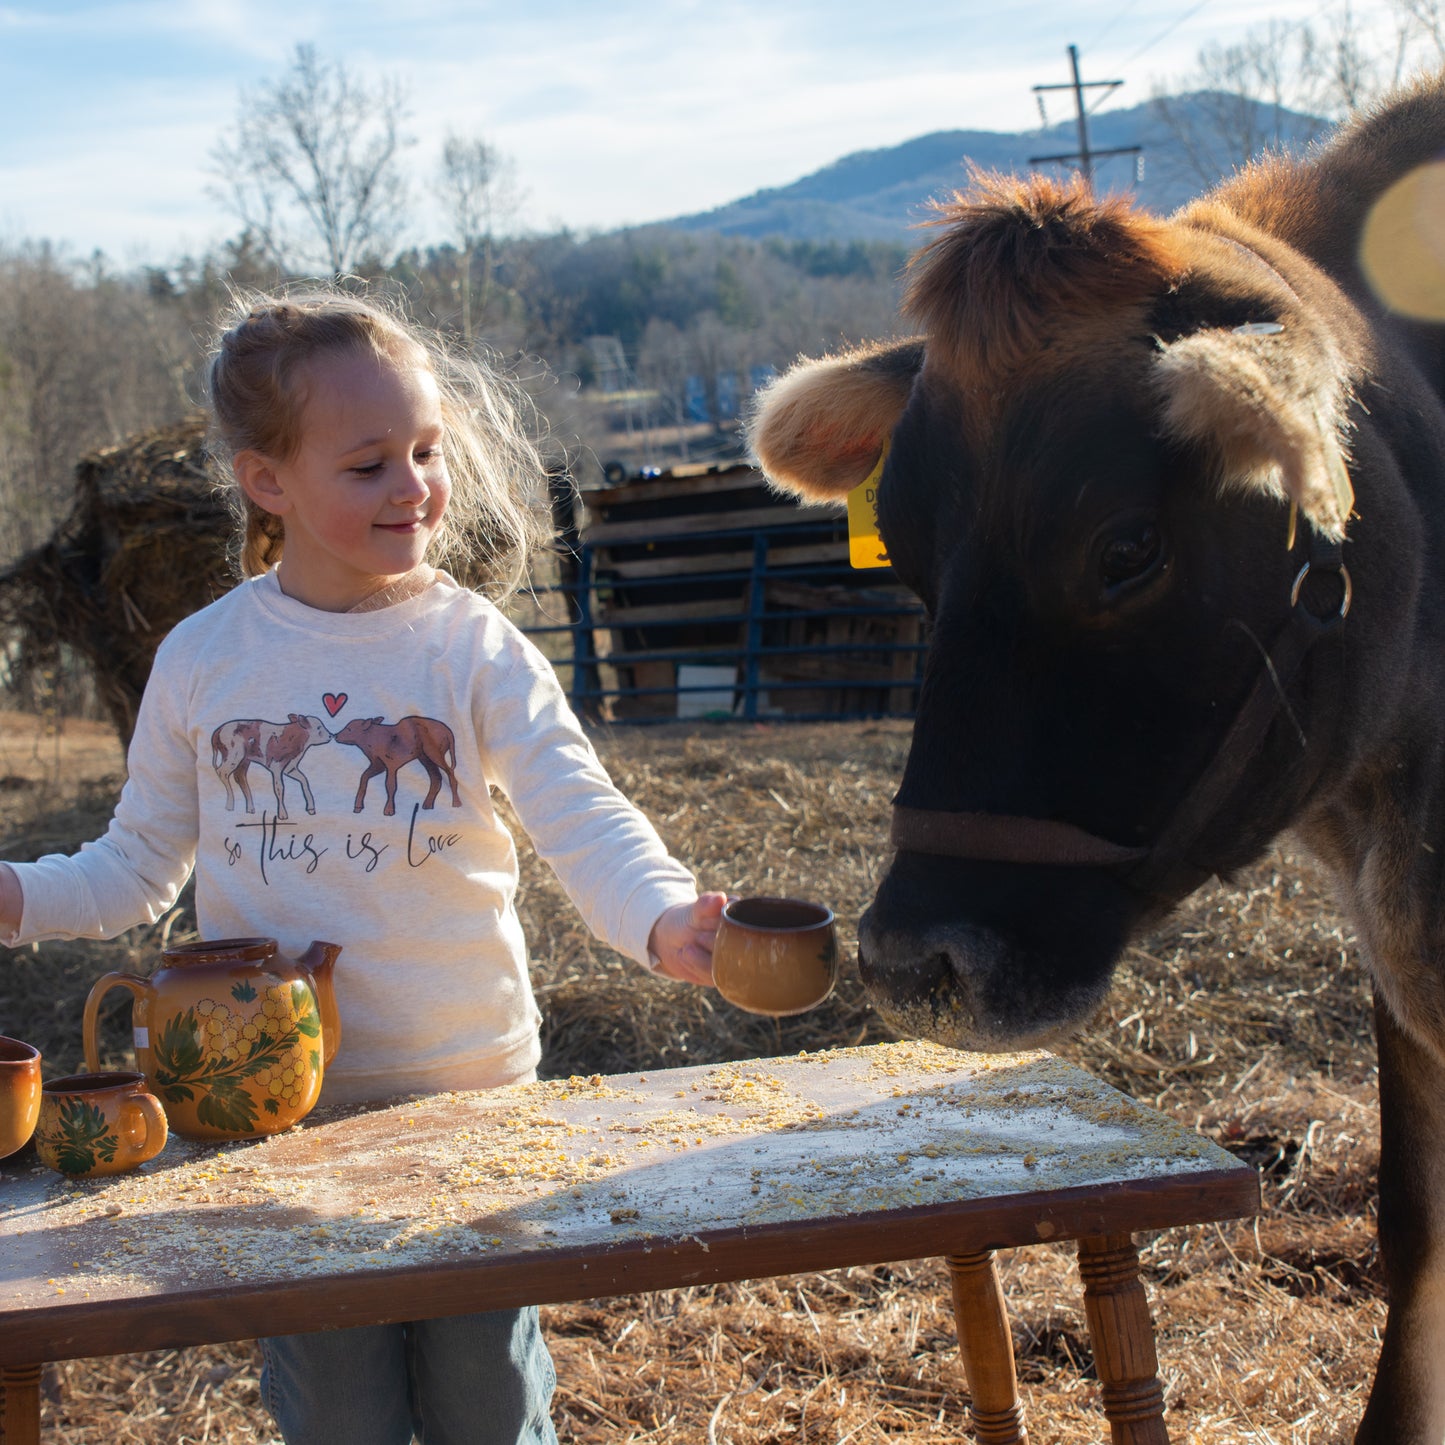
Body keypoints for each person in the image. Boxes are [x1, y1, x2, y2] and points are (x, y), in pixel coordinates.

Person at [0, 287, 726, 1445]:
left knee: (488, 1399)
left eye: (426, 451)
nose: (414, 487)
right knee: (338, 1412)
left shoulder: (471, 645)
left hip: (466, 1094)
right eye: (368, 463)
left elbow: (576, 812)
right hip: (281, 1113)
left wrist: (663, 916)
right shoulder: (204, 659)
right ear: (266, 481)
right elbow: (138, 864)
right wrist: (18, 895)